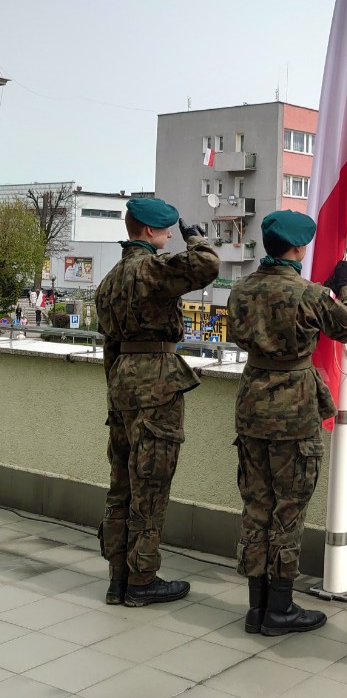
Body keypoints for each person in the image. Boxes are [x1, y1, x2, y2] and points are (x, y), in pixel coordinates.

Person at [227, 211, 347, 636]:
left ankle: (256, 607)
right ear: (299, 248)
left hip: (252, 405)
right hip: (294, 411)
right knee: (288, 511)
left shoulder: (241, 289)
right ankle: (280, 608)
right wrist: (346, 287)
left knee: (256, 508)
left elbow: (237, 334)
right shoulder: (310, 295)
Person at [97, 198, 219, 607]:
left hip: (122, 383)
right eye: (166, 229)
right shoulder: (150, 269)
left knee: (121, 485)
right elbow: (207, 265)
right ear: (149, 231)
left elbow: (110, 345)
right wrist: (195, 238)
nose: (169, 235)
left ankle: (118, 578)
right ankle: (142, 580)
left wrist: (118, 389)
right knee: (151, 485)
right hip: (156, 383)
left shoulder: (110, 279)